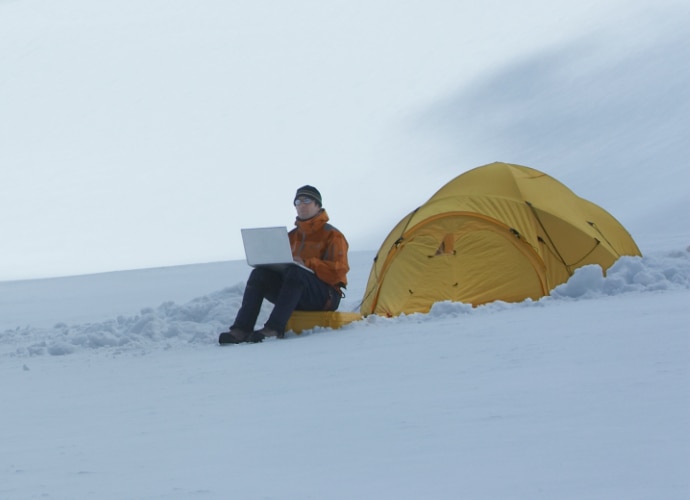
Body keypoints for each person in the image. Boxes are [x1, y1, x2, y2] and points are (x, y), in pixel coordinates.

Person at [219, 185, 349, 344]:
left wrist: (308, 264)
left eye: (307, 200)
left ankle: (274, 328)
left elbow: (338, 272)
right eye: (298, 201)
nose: (301, 205)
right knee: (259, 275)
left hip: (325, 297)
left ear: (318, 205)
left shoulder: (333, 235)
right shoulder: (290, 236)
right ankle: (241, 329)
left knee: (296, 272)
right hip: (293, 291)